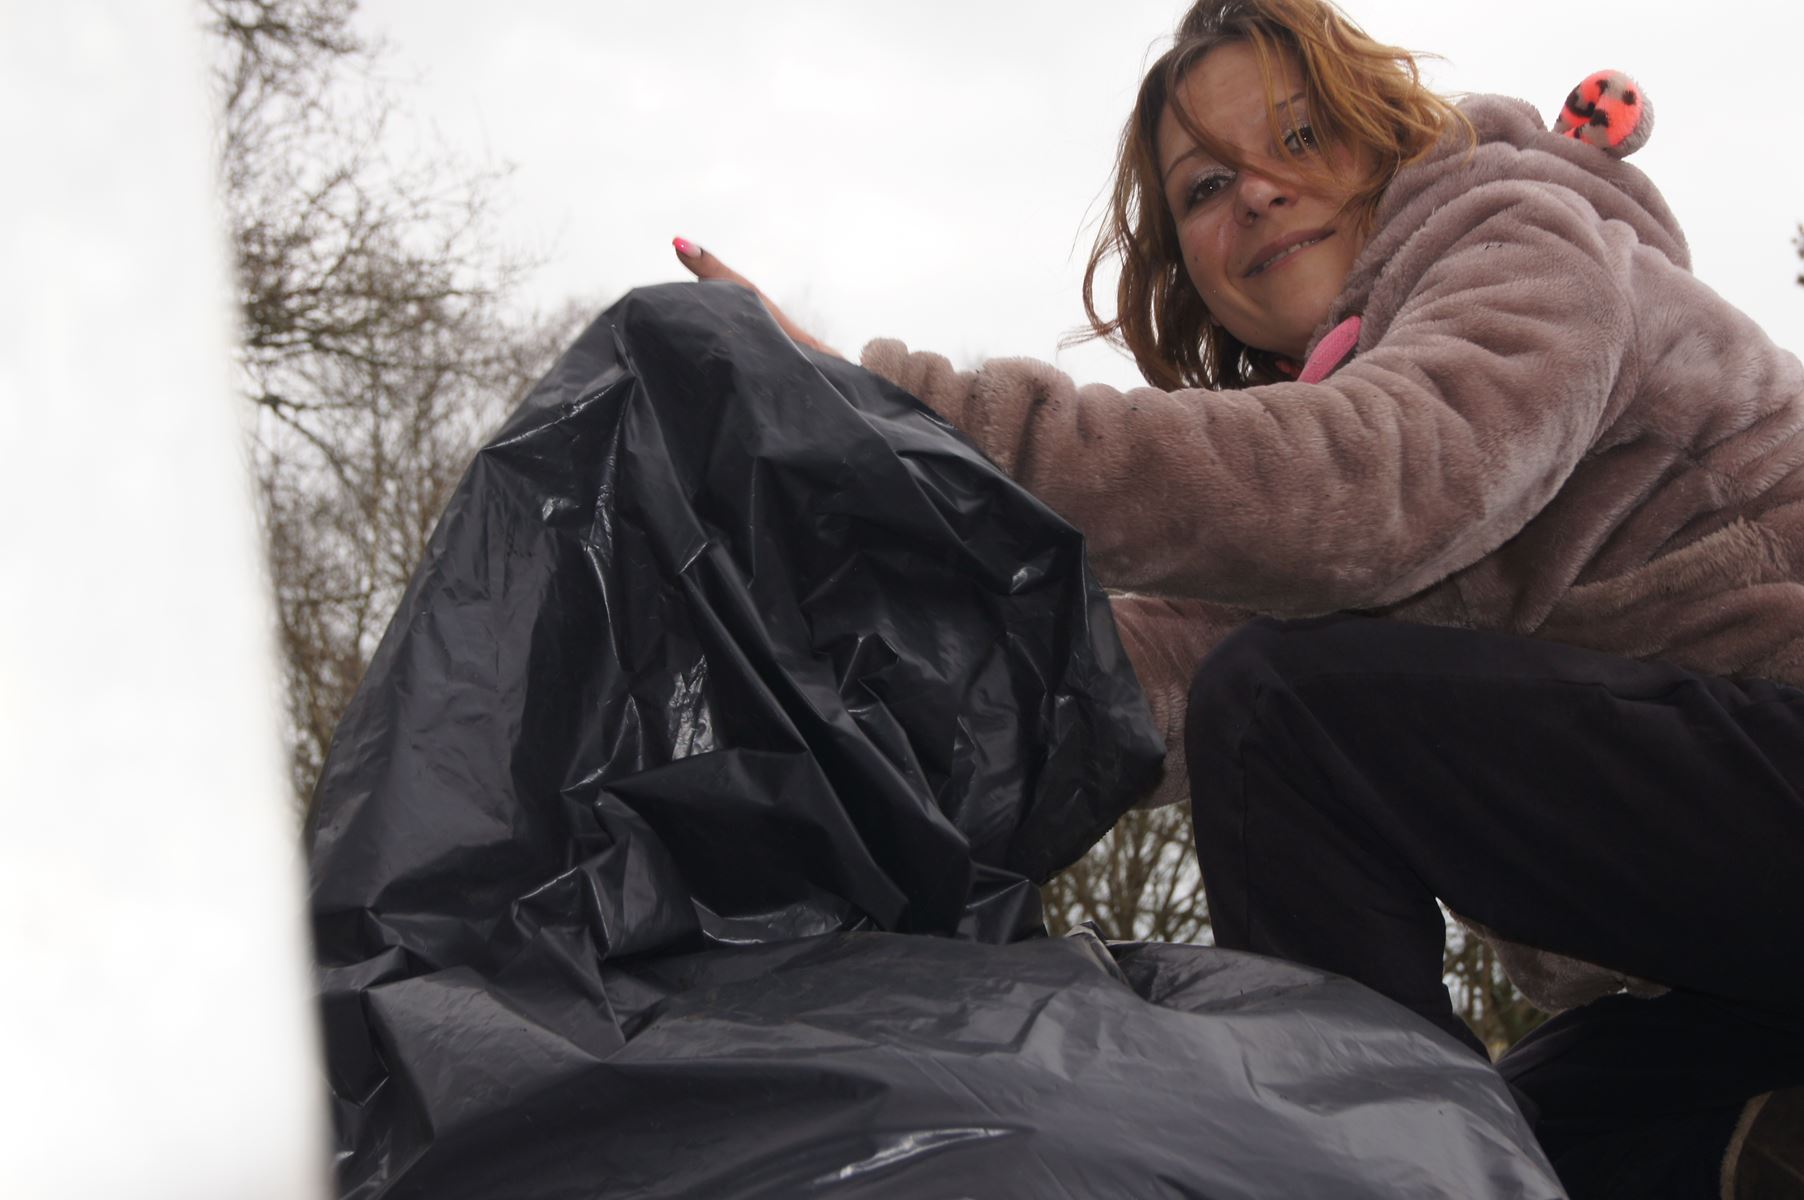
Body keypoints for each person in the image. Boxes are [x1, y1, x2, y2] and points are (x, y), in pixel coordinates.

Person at [674, 1, 1804, 1193]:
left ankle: (1365, 1171)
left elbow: (1379, 483)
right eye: (1205, 187)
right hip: (1723, 978)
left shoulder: (1521, 233)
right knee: (1525, 1142)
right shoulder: (1324, 511)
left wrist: (893, 423)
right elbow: (1129, 684)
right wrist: (810, 711)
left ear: (1389, 142)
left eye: (1301, 138)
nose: (1256, 191)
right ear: (1189, 268)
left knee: (1279, 722)